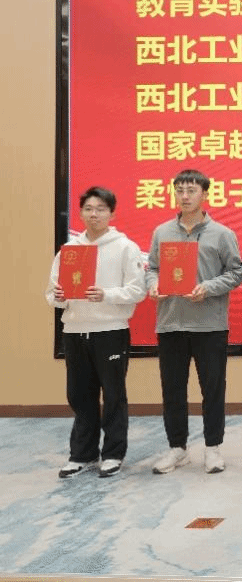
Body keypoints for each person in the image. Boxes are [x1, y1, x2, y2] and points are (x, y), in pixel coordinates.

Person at [146, 169, 242, 476]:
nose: (185, 196)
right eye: (180, 191)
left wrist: (209, 287)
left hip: (209, 325)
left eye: (191, 190)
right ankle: (178, 448)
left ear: (205, 194)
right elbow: (152, 268)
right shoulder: (162, 232)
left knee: (212, 389)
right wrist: (153, 285)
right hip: (171, 323)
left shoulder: (222, 234)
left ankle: (213, 448)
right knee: (172, 389)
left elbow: (236, 273)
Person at [45, 186, 146, 479]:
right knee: (79, 395)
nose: (94, 214)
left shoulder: (125, 247)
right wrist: (60, 297)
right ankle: (82, 454)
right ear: (80, 213)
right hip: (75, 331)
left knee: (113, 395)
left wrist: (106, 294)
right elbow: (51, 294)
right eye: (88, 209)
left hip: (110, 330)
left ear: (111, 213)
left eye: (101, 209)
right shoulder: (69, 250)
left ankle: (113, 454)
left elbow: (137, 291)